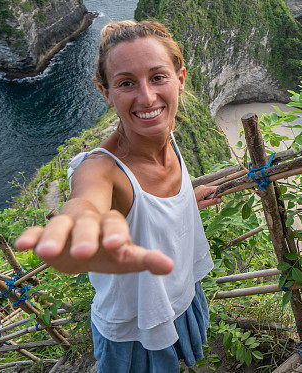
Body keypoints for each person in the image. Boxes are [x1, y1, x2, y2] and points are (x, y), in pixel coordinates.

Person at [15, 20, 222, 372]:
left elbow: (148, 209)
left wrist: (186, 199)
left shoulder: (166, 136)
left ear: (180, 79)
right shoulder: (101, 169)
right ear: (106, 93)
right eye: (127, 83)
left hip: (180, 296)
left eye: (158, 77)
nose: (146, 97)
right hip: (136, 329)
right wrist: (76, 224)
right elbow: (87, 198)